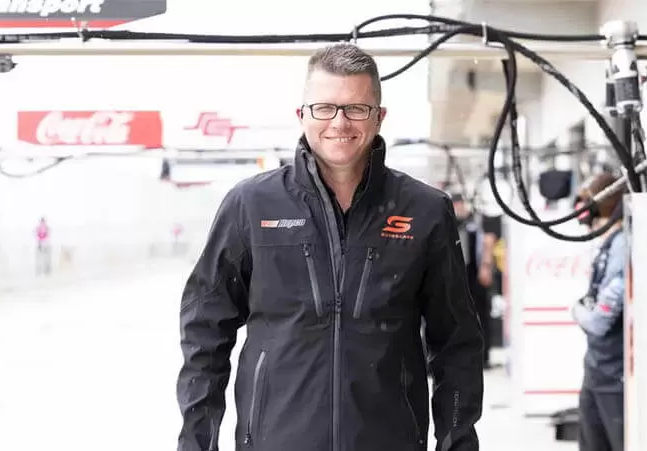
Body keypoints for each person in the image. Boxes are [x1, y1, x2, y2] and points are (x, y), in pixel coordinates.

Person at [176, 43, 485, 451]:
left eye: (356, 108)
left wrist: (457, 443)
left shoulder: (425, 210)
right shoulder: (250, 205)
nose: (340, 122)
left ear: (379, 116)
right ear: (302, 114)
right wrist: (197, 443)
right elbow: (204, 332)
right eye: (324, 108)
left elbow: (456, 343)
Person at [570, 172, 628, 451]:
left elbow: (599, 321)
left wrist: (576, 310)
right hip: (595, 370)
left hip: (615, 375)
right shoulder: (607, 243)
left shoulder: (623, 245)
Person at [450, 193, 497, 368]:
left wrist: (486, 266)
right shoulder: (448, 222)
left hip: (475, 273)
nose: (459, 208)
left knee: (481, 315)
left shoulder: (478, 220)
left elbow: (489, 240)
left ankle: (483, 357)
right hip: (455, 275)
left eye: (460, 204)